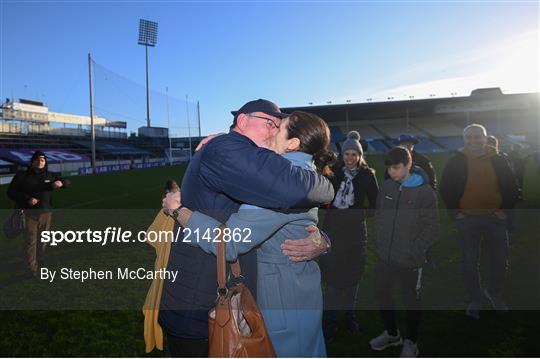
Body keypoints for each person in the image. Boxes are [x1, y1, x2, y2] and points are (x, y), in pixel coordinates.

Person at [159, 99, 335, 357]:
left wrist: (180, 213)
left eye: (278, 127)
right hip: (214, 297)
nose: (274, 132)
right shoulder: (278, 170)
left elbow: (230, 241)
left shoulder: (283, 176)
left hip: (280, 298)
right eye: (270, 124)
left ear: (293, 144)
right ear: (242, 122)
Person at [440, 124, 519, 320]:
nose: (473, 141)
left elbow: (512, 187)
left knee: (500, 261)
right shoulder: (456, 160)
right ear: (464, 139)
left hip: (495, 219)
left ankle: (493, 292)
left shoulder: (500, 159)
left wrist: (504, 211)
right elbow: (445, 188)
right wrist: (455, 212)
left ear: (486, 138)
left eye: (478, 137)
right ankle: (475, 299)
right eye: (469, 137)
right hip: (467, 219)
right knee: (469, 262)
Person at [369, 147, 439, 358]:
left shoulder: (425, 192)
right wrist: (380, 244)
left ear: (408, 165)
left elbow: (432, 228)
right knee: (383, 294)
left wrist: (413, 251)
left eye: (396, 167)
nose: (391, 172)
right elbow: (379, 217)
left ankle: (411, 341)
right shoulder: (387, 187)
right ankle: (392, 334)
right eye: (389, 167)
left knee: (411, 301)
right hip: (385, 257)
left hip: (410, 260)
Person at [319, 130, 379, 339]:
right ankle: (332, 318)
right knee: (333, 274)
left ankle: (350, 315)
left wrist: (359, 214)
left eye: (354, 154)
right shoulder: (333, 171)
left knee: (353, 274)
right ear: (342, 155)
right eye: (347, 154)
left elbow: (376, 205)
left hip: (354, 231)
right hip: (334, 229)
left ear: (360, 156)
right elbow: (323, 195)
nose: (350, 158)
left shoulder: (367, 175)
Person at [7, 150, 69, 277]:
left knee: (43, 240)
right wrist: (27, 199)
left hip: (46, 214)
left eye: (42, 160)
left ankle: (40, 259)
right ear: (32, 162)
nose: (40, 162)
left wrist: (62, 183)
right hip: (28, 215)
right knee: (30, 242)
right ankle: (31, 269)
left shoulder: (50, 175)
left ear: (45, 162)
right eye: (37, 160)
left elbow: (67, 181)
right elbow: (11, 192)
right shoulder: (22, 176)